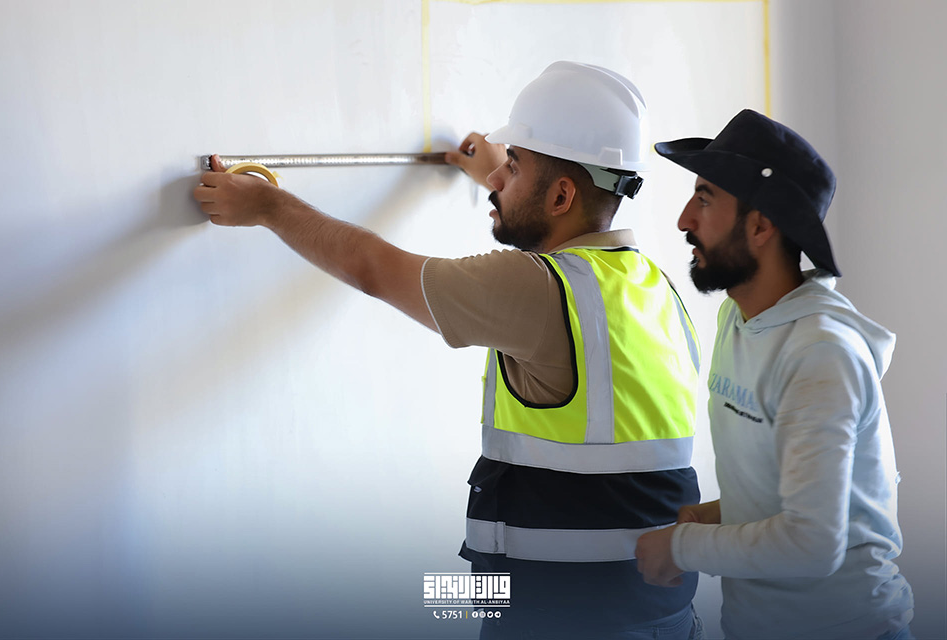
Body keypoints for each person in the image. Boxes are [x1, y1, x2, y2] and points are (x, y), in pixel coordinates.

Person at [194, 61, 703, 639]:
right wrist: (505, 181)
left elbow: (373, 269)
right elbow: (552, 224)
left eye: (516, 165)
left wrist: (268, 207)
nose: (501, 176)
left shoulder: (537, 288)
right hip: (654, 613)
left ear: (561, 195)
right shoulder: (652, 287)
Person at [634, 109, 915, 640]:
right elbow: (796, 496)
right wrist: (714, 516)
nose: (684, 220)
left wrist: (681, 548)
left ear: (760, 226)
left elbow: (812, 544)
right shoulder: (737, 319)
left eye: (705, 199)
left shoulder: (821, 354)